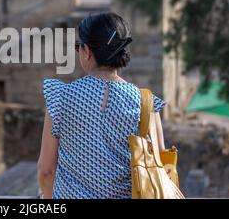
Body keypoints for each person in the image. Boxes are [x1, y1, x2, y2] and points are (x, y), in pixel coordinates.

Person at [37, 12, 166, 199]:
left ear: (87, 52)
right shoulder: (146, 103)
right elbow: (160, 163)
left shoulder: (61, 98)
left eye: (78, 47)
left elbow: (46, 170)